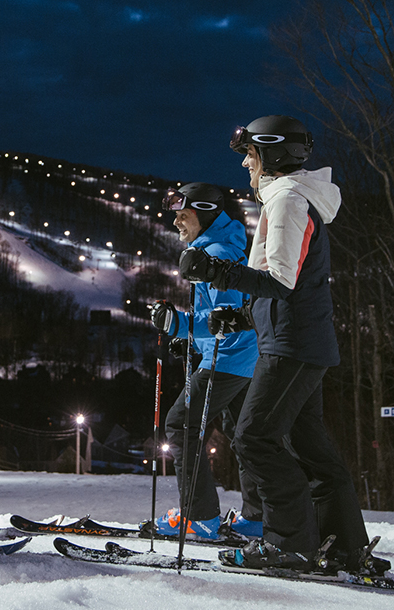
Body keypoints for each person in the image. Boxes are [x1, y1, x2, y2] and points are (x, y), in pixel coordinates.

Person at [179, 115, 387, 575]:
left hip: (292, 345)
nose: (246, 167)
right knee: (309, 446)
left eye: (250, 156)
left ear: (272, 156)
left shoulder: (290, 200)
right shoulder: (286, 199)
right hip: (294, 339)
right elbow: (286, 283)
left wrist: (217, 272)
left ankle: (290, 544)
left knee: (253, 437)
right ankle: (344, 546)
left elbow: (282, 280)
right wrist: (241, 314)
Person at [148, 182, 261, 541]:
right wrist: (189, 339)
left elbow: (226, 320)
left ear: (205, 214)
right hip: (242, 358)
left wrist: (178, 325)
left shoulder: (217, 255)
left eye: (184, 216)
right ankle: (258, 518)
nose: (177, 223)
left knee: (180, 424)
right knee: (245, 436)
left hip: (229, 359)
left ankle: (201, 518)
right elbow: (219, 316)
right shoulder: (220, 246)